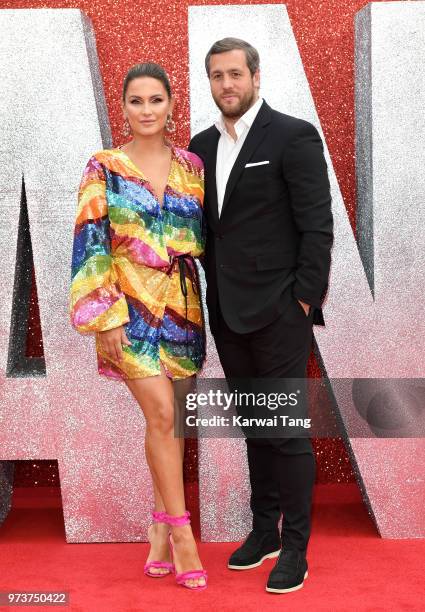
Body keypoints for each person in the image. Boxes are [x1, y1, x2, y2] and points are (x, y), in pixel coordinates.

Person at [189, 38, 333, 593]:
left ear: (255, 76)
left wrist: (302, 299)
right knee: (255, 427)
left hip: (279, 311)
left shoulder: (292, 135)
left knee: (287, 432)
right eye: (217, 76)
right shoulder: (201, 146)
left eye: (235, 74)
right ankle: (263, 531)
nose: (227, 84)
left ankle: (295, 547)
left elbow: (317, 226)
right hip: (225, 310)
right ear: (210, 83)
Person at [69, 62, 207, 590]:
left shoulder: (192, 165)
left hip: (183, 308)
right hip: (126, 311)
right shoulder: (104, 166)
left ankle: (156, 530)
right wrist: (103, 316)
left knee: (172, 426)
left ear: (171, 105)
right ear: (122, 107)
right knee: (161, 413)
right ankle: (183, 536)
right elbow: (90, 239)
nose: (146, 110)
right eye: (136, 101)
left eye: (155, 100)